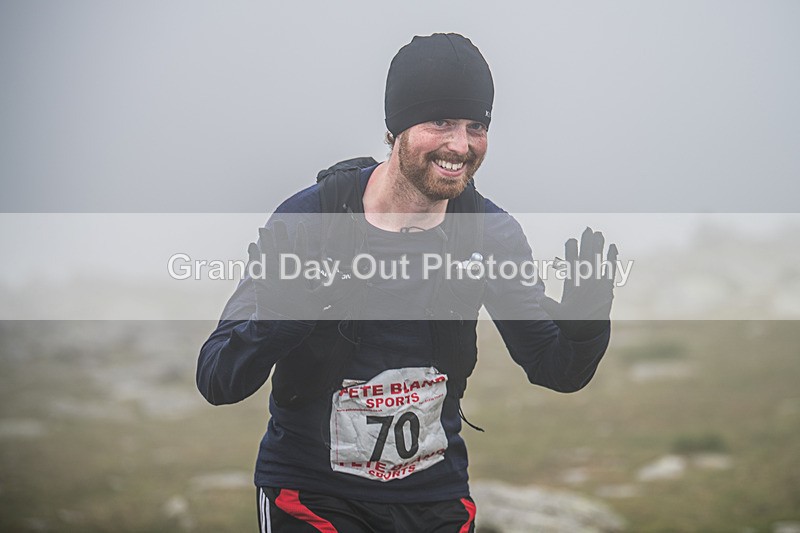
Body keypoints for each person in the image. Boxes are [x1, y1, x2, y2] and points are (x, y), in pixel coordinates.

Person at [197, 33, 617, 533]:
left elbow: (556, 369)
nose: (460, 145)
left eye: (475, 126)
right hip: (311, 497)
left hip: (435, 502)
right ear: (395, 128)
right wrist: (278, 321)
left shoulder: (489, 233)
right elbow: (218, 379)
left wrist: (588, 325)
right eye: (440, 121)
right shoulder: (309, 221)